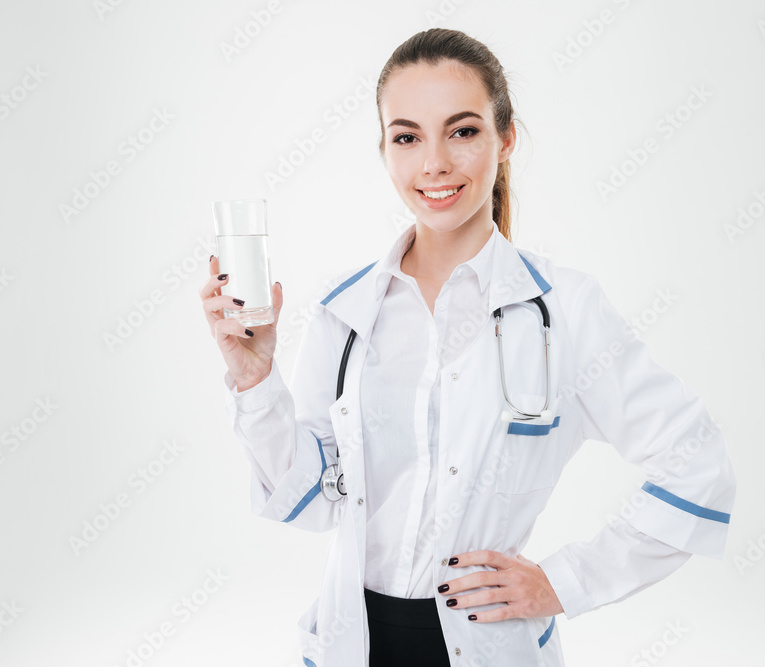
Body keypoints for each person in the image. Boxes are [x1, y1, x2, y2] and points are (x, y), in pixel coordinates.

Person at [200, 27, 736, 667]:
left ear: (504, 139)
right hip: (355, 643)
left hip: (488, 644)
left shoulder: (565, 311)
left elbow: (697, 465)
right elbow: (306, 503)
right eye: (407, 137)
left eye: (462, 131)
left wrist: (563, 581)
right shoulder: (345, 315)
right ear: (386, 150)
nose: (434, 163)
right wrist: (256, 379)